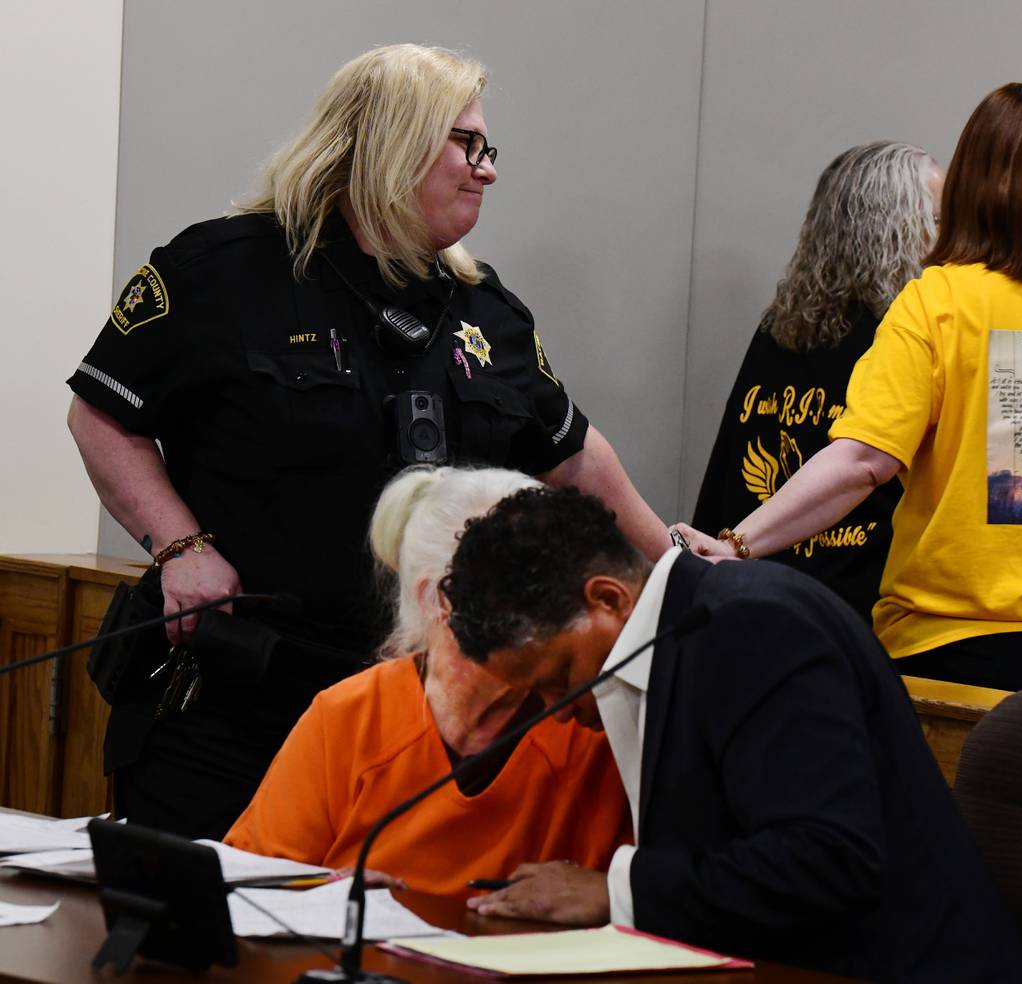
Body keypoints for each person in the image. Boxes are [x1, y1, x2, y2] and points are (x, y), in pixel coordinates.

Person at [65, 44, 671, 840]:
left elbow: (576, 457)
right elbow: (103, 416)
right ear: (390, 141)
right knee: (199, 939)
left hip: (406, 712)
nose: (487, 169)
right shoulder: (223, 271)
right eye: (467, 144)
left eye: (488, 149)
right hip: (233, 696)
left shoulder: (488, 312)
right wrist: (180, 547)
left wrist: (678, 578)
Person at [675, 83, 1022, 692]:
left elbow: (860, 461)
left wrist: (737, 542)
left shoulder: (936, 299)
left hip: (942, 650)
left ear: (969, 185)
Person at [440, 487, 1022, 983]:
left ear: (607, 599)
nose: (558, 711)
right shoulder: (689, 624)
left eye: (559, 678)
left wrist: (618, 890)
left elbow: (828, 862)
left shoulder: (753, 626)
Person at [225, 466, 630, 895]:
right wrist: (322, 893)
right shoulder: (350, 716)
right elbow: (250, 885)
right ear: (437, 599)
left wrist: (610, 896)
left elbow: (665, 898)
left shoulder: (597, 718)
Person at [691, 142, 941, 619]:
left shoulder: (779, 325)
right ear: (898, 229)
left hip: (749, 594)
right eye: (942, 221)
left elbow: (724, 469)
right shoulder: (908, 335)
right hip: (850, 614)